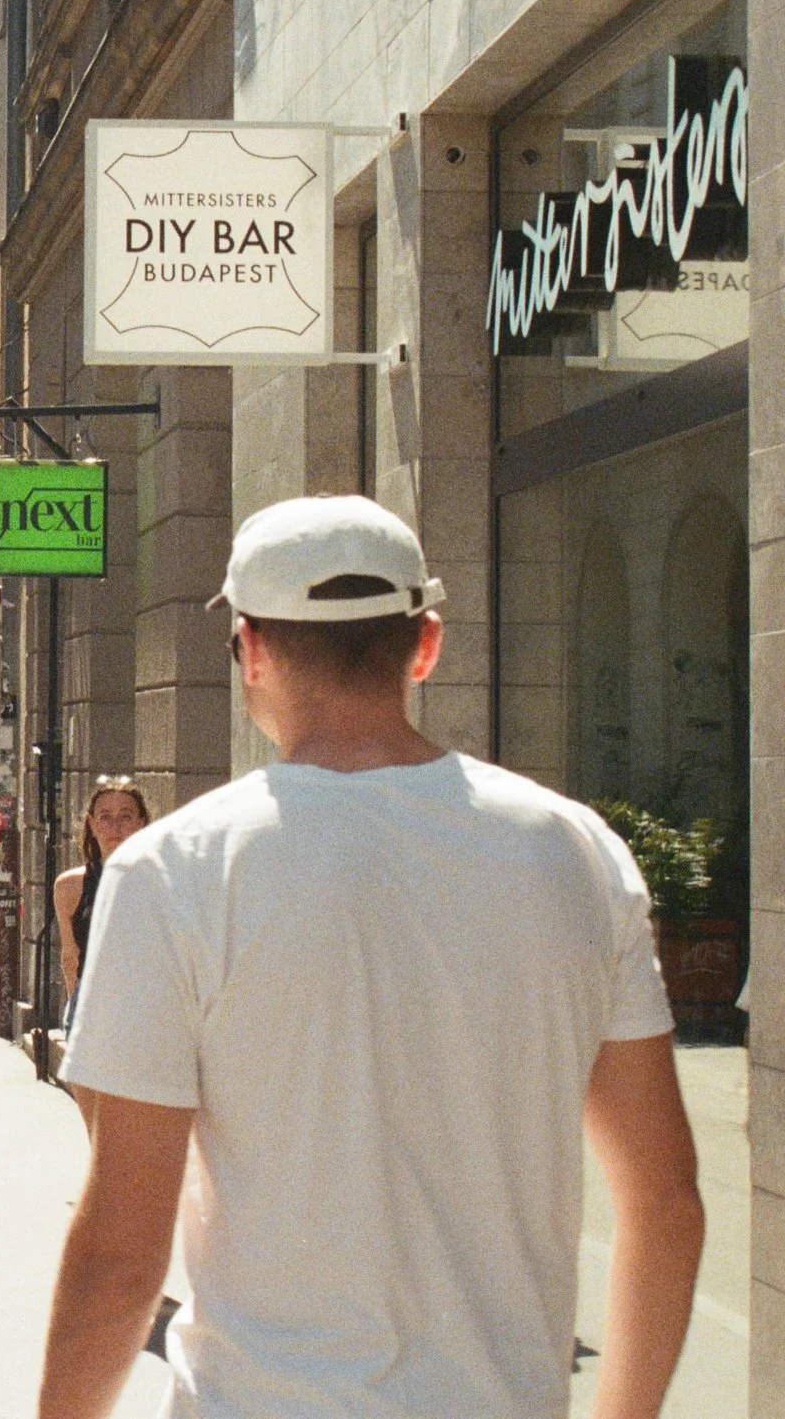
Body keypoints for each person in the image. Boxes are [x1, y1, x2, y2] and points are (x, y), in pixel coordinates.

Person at [38, 496, 703, 1419]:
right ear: (424, 645)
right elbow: (665, 1202)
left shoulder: (174, 872)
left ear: (251, 651)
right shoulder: (576, 852)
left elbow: (121, 1252)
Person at [50, 777, 150, 1103]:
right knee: (95, 1124)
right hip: (89, 1005)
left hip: (144, 1007)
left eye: (125, 816)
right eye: (105, 817)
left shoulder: (159, 882)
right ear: (91, 825)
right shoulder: (70, 887)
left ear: (141, 823)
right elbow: (70, 956)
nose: (115, 826)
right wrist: (74, 1018)